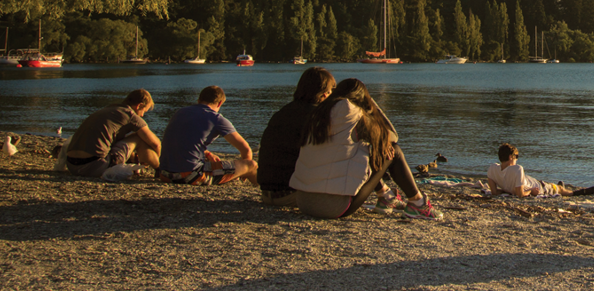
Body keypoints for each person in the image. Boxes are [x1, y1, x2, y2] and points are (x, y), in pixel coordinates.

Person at [289, 78, 440, 219]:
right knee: (394, 151)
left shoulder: (318, 113)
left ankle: (386, 197)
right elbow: (392, 136)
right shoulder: (352, 112)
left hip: (304, 201)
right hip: (333, 207)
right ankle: (418, 203)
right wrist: (372, 106)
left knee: (363, 150)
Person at [257, 67, 336, 206]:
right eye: (331, 91)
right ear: (325, 93)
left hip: (267, 194)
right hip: (292, 195)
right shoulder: (316, 118)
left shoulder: (283, 112)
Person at [157, 86, 258, 186]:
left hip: (165, 174)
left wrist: (207, 153)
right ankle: (261, 189)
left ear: (199, 100)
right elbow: (246, 150)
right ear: (220, 103)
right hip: (190, 176)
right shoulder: (216, 118)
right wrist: (244, 172)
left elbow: (183, 142)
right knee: (251, 165)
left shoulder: (180, 112)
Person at [65, 89, 161, 177]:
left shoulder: (108, 109)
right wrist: (158, 159)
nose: (142, 115)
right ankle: (160, 170)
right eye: (144, 111)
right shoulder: (130, 115)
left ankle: (137, 162)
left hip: (72, 165)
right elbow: (155, 144)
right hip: (93, 167)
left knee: (121, 140)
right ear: (139, 106)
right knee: (138, 137)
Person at [487, 143, 594, 197]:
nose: (517, 159)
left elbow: (494, 192)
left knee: (549, 184)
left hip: (531, 181)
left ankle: (560, 186)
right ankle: (576, 193)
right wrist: (531, 191)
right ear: (511, 157)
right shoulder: (517, 169)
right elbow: (520, 194)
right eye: (516, 157)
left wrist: (507, 190)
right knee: (557, 189)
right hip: (537, 187)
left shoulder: (492, 168)